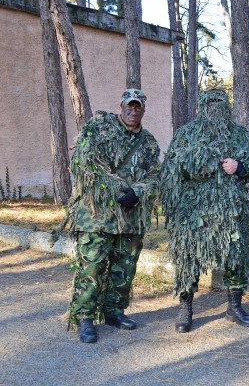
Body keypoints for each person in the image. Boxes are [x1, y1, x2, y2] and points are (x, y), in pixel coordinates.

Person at [161, 89, 249, 332]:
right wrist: (201, 162)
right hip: (192, 211)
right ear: (202, 107)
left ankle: (234, 306)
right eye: (210, 103)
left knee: (236, 256)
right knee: (188, 257)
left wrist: (240, 166)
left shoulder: (238, 135)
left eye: (219, 103)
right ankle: (185, 308)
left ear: (227, 107)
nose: (214, 107)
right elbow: (172, 165)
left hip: (230, 211)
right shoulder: (186, 134)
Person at [66, 89, 161, 343]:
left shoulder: (149, 143)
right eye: (128, 106)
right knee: (92, 268)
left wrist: (137, 192)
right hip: (96, 216)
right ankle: (85, 318)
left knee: (125, 268)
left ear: (143, 110)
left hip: (129, 218)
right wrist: (117, 189)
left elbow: (154, 176)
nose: (133, 111)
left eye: (137, 107)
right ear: (120, 107)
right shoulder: (100, 130)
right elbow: (87, 164)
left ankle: (114, 311)